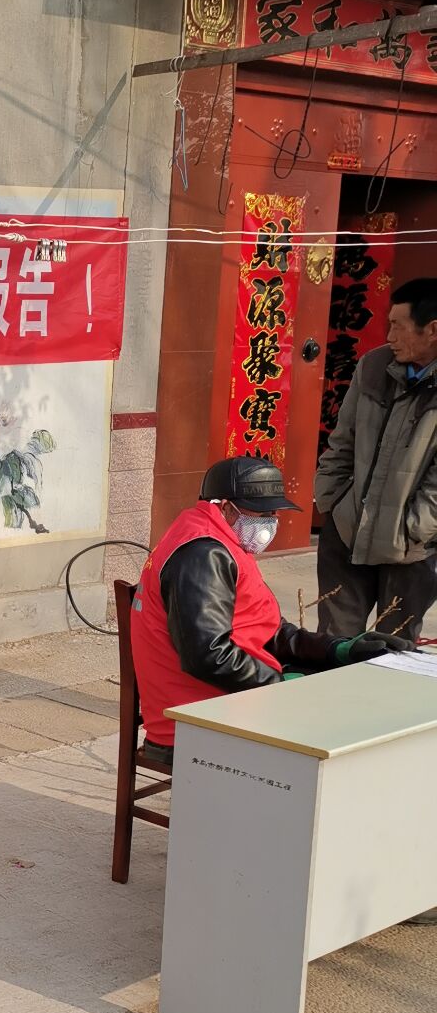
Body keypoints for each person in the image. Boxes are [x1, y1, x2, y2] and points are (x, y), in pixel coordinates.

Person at [131, 455, 402, 767]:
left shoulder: (219, 538)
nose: (270, 522)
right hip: (197, 721)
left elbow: (268, 629)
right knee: (352, 722)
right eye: (260, 513)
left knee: (345, 692)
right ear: (225, 507)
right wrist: (278, 686)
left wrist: (337, 650)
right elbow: (208, 655)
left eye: (273, 512)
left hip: (222, 701)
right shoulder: (203, 554)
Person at [313, 278, 437, 645]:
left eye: (398, 326)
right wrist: (332, 501)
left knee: (392, 648)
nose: (390, 336)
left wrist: (413, 530)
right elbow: (342, 442)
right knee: (332, 644)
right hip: (348, 529)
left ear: (432, 330)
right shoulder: (373, 366)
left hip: (411, 549)